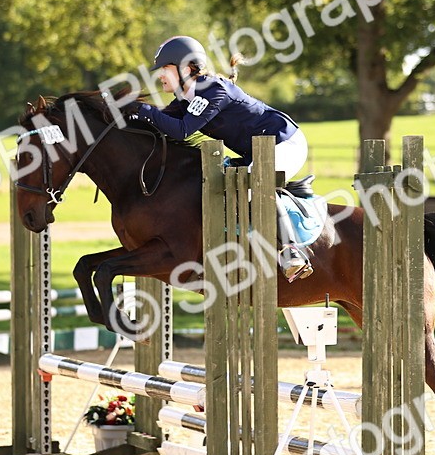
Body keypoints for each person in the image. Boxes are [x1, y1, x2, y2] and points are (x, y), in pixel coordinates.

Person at [132, 35, 314, 280]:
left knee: (255, 182)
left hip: (285, 143)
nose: (161, 75)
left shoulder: (214, 90)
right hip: (255, 151)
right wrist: (127, 113)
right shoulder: (186, 98)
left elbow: (181, 130)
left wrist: (143, 109)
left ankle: (292, 252)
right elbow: (161, 122)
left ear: (185, 68)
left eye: (165, 68)